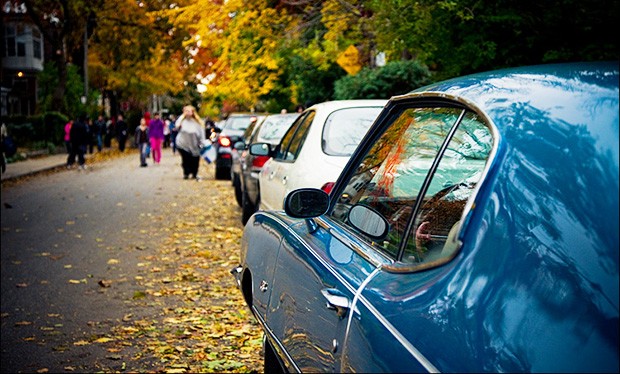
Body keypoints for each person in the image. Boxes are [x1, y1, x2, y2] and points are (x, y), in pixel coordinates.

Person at [174, 105, 206, 180]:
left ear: (193, 112)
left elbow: (201, 133)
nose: (187, 113)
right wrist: (182, 116)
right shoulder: (182, 121)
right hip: (183, 144)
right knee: (186, 159)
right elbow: (177, 126)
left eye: (189, 111)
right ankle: (186, 173)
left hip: (195, 144)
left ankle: (194, 173)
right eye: (186, 111)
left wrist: (202, 142)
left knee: (195, 159)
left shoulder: (197, 122)